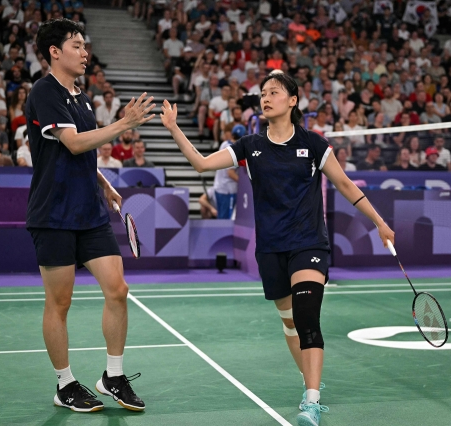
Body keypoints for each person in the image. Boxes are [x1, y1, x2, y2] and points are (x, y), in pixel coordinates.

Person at [160, 70, 395, 426]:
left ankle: (312, 401)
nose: (265, 98)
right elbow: (201, 164)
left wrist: (379, 221)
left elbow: (345, 185)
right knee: (289, 324)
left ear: (293, 100)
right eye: (263, 93)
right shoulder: (250, 147)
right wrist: (175, 128)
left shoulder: (314, 144)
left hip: (308, 244)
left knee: (306, 317)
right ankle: (309, 379)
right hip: (271, 248)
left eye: (274, 92)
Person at [26, 19, 154, 413]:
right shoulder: (44, 93)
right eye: (77, 45)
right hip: (54, 213)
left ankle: (112, 376)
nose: (85, 52)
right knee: (59, 302)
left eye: (85, 45)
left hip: (90, 211)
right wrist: (124, 124)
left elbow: (82, 152)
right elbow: (75, 142)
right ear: (54, 52)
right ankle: (65, 384)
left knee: (118, 290)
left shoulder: (81, 96)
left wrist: (103, 182)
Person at [213, 123, 244, 219]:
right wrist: (245, 184)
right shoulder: (234, 150)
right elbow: (230, 173)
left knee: (222, 218)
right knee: (226, 220)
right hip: (227, 190)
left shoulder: (224, 144)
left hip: (220, 186)